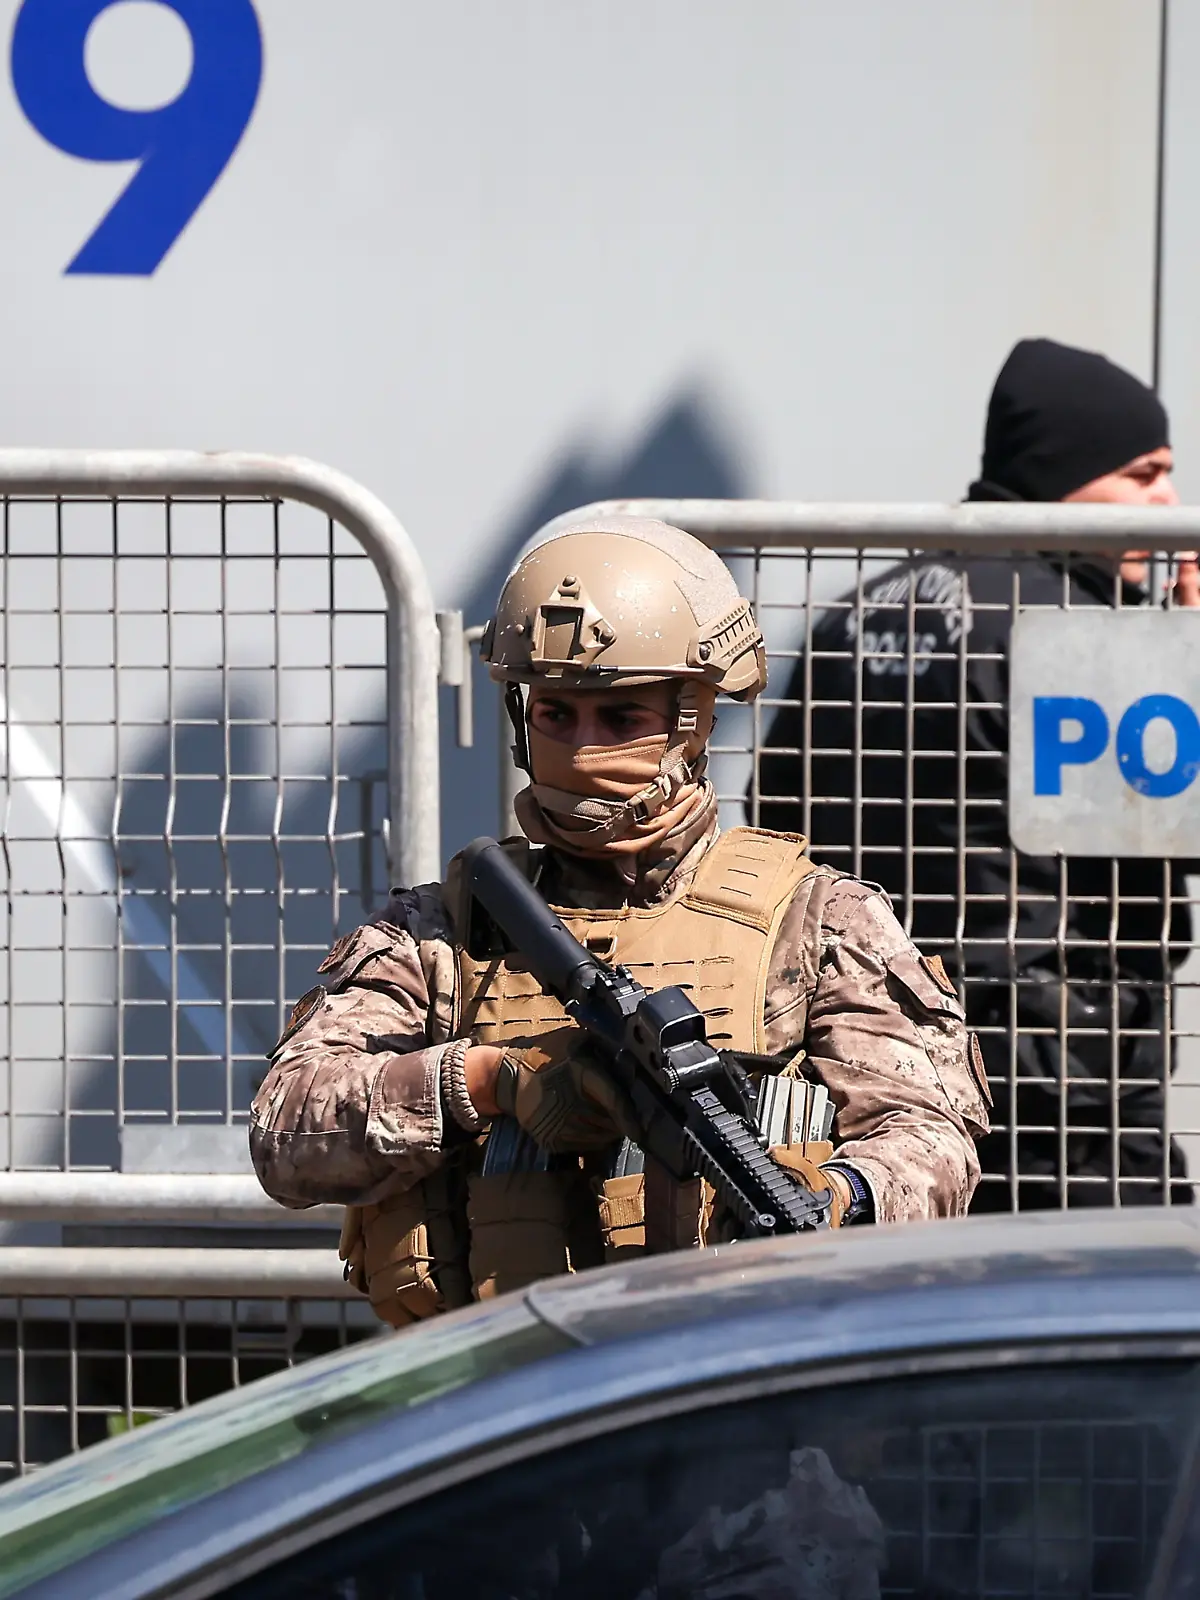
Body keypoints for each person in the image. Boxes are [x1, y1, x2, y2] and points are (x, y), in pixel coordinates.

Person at [250, 515, 988, 1328]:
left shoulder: (819, 922)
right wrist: (488, 1081)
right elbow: (287, 1134)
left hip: (740, 1366)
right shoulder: (440, 932)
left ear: (695, 718)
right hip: (495, 1386)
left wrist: (836, 1195)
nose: (583, 748)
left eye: (620, 718)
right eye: (557, 715)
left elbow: (928, 1137)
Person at [756, 337, 1194, 1211]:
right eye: (1145, 474)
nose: (1169, 504)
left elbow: (775, 827)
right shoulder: (1088, 633)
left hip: (866, 1065)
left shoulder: (855, 613)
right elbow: (1168, 839)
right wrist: (1189, 656)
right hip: (1063, 1089)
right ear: (1067, 466)